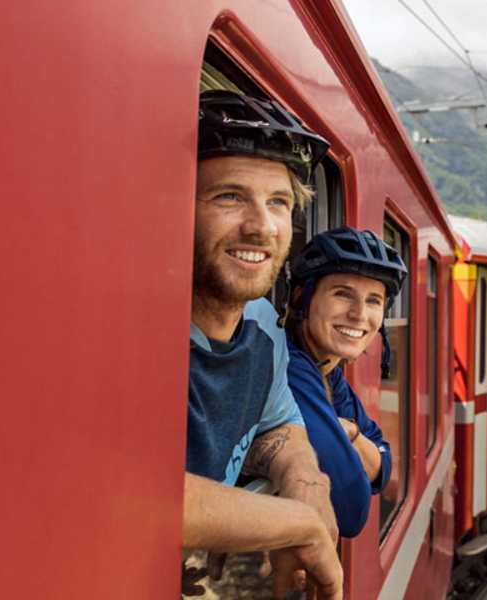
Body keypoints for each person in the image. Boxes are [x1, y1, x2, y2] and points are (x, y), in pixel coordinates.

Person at [181, 89, 342, 600]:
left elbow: (279, 426)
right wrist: (299, 525)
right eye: (229, 197)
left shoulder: (262, 330)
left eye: (278, 203)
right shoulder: (134, 331)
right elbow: (121, 492)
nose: (260, 227)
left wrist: (304, 481)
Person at [283, 227, 404, 538]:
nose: (359, 314)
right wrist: (356, 440)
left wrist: (349, 433)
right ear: (302, 297)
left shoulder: (329, 371)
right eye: (342, 294)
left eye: (374, 300)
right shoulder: (291, 367)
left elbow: (384, 469)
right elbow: (351, 508)